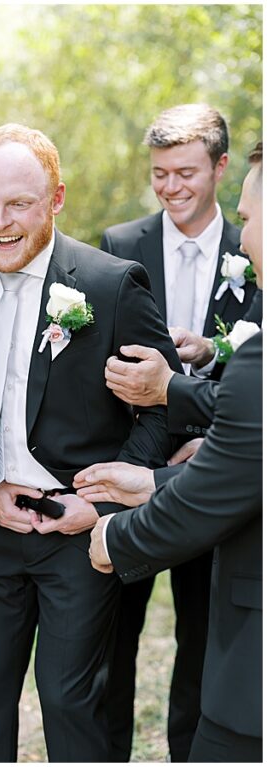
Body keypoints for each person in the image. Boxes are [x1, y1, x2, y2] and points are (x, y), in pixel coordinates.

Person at [0, 124, 180, 761]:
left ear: (55, 199)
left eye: (19, 205)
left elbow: (166, 412)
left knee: (67, 697)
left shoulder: (112, 285)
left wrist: (105, 504)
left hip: (77, 534)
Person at [85, 143, 261, 762]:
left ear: (219, 167)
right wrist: (144, 466)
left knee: (208, 640)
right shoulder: (118, 242)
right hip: (135, 461)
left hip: (225, 484)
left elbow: (251, 389)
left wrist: (201, 370)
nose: (171, 186)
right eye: (159, 174)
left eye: (185, 172)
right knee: (114, 644)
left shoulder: (250, 247)